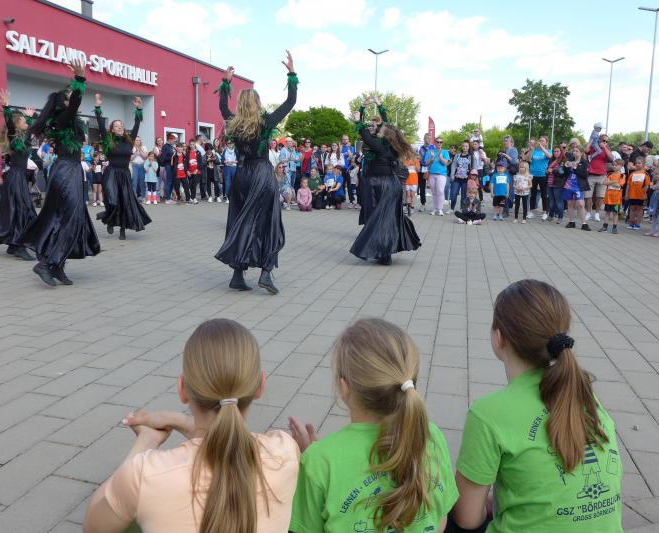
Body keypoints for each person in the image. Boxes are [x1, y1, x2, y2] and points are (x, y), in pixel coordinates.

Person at [83, 319, 299, 533]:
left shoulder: (144, 475)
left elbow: (93, 528)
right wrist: (175, 420)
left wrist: (145, 442)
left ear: (182, 389)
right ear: (260, 385)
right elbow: (224, 435)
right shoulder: (285, 452)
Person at [451, 279, 622, 533]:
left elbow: (467, 518)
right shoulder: (586, 396)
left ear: (499, 337)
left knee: (446, 517)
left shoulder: (488, 413)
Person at [288, 318, 458, 533]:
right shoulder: (431, 435)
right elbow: (440, 522)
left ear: (343, 387)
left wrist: (314, 460)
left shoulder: (319, 462)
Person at [216, 52, 297, 294]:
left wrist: (225, 82)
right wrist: (292, 74)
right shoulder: (266, 122)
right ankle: (266, 273)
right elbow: (290, 102)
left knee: (240, 221)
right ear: (258, 103)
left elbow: (222, 106)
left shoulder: (233, 122)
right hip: (261, 174)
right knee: (269, 221)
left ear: (240, 104)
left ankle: (237, 275)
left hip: (241, 175)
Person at [22, 58, 101, 287]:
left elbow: (73, 102)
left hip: (69, 170)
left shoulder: (66, 122)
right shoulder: (63, 119)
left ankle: (58, 265)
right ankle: (47, 263)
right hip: (66, 171)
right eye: (68, 99)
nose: (72, 101)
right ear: (62, 104)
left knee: (69, 218)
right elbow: (75, 101)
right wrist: (79, 79)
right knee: (71, 218)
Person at [349, 105, 421, 265]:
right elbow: (387, 126)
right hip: (387, 184)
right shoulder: (389, 145)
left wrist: (357, 121)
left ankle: (384, 253)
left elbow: (367, 138)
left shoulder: (382, 148)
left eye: (381, 129)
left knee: (382, 219)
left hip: (384, 184)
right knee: (385, 218)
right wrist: (379, 106)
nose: (379, 128)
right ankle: (384, 252)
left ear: (386, 135)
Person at [0, 89, 38, 261]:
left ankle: (13, 245)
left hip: (20, 177)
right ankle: (18, 246)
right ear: (17, 125)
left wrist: (29, 119)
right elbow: (9, 124)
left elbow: (29, 133)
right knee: (21, 210)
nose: (26, 123)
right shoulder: (14, 138)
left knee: (21, 210)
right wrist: (6, 107)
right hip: (15, 178)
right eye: (22, 121)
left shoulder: (24, 139)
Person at [94, 93, 151, 240]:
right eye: (116, 126)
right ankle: (109, 218)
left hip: (125, 174)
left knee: (124, 202)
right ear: (112, 129)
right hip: (111, 173)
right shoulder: (108, 140)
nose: (119, 127)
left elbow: (137, 125)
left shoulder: (129, 140)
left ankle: (122, 230)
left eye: (121, 125)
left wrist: (139, 109)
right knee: (112, 200)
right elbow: (100, 124)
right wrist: (98, 107)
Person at [563, 145, 591, 231]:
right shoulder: (570, 160)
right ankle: (571, 222)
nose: (574, 153)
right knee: (570, 203)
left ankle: (584, 223)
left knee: (581, 204)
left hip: (578, 186)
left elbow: (584, 175)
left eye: (577, 151)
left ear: (581, 153)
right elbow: (565, 173)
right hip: (569, 185)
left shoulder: (584, 162)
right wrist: (565, 167)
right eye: (574, 151)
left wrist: (575, 168)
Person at [526, 136, 551, 220]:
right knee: (533, 194)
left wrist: (542, 147)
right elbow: (528, 159)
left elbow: (549, 156)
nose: (540, 142)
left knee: (544, 194)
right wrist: (531, 150)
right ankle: (531, 211)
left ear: (546, 142)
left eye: (543, 141)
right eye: (540, 140)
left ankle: (545, 212)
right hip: (533, 175)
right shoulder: (535, 151)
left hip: (543, 175)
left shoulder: (548, 150)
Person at [424, 136, 450, 216]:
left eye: (440, 142)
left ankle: (440, 209)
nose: (439, 143)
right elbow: (426, 163)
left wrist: (440, 157)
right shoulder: (430, 151)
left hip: (441, 174)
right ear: (435, 143)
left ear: (442, 143)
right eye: (437, 142)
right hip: (432, 174)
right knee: (434, 192)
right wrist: (431, 157)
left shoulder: (445, 152)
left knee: (440, 191)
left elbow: (446, 163)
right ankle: (435, 208)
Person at [599, 159, 625, 235]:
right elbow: (604, 182)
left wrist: (609, 182)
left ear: (621, 166)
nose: (614, 166)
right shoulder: (610, 174)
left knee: (615, 213)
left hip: (616, 199)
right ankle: (605, 227)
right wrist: (614, 181)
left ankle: (614, 228)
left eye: (616, 165)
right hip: (608, 198)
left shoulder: (622, 175)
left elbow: (619, 185)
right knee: (607, 213)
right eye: (613, 165)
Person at [625, 156, 650, 231]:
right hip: (632, 195)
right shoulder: (632, 174)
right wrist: (626, 194)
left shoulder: (645, 174)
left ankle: (638, 224)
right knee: (632, 208)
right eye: (636, 163)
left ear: (643, 164)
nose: (637, 164)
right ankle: (631, 223)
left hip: (640, 195)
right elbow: (628, 185)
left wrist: (645, 193)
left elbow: (646, 186)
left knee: (639, 209)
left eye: (639, 163)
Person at [449, 141, 472, 213]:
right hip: (457, 178)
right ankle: (452, 208)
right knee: (453, 194)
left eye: (466, 146)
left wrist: (472, 178)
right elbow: (453, 165)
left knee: (463, 195)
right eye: (463, 146)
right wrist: (452, 175)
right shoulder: (457, 155)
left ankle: (462, 209)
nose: (464, 147)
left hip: (466, 179)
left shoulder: (471, 156)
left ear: (468, 147)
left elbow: (473, 167)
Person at [546, 145, 566, 223]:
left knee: (559, 202)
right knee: (551, 202)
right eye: (554, 151)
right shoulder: (552, 160)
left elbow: (561, 172)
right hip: (549, 183)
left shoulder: (563, 161)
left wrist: (552, 171)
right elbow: (548, 169)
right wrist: (547, 171)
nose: (556, 153)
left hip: (558, 184)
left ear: (561, 152)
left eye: (557, 151)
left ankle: (560, 217)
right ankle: (550, 216)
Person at [646, 168, 659, 237]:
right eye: (656, 174)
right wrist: (651, 187)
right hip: (654, 201)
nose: (657, 175)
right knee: (653, 216)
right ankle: (652, 230)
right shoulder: (653, 182)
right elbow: (650, 190)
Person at [184, 139, 204, 205]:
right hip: (190, 172)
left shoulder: (198, 153)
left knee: (194, 185)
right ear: (189, 145)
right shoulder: (188, 153)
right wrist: (187, 171)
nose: (192, 146)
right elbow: (186, 163)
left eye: (193, 144)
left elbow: (200, 163)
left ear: (195, 144)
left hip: (196, 172)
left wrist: (197, 170)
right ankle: (191, 198)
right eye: (190, 144)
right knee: (190, 185)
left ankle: (193, 198)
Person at [130, 136, 148, 202]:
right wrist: (135, 152)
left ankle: (143, 197)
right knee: (134, 182)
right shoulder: (131, 148)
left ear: (140, 141)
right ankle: (134, 197)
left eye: (139, 140)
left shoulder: (144, 147)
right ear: (134, 141)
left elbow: (145, 157)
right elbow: (130, 158)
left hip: (142, 165)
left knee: (142, 182)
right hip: (134, 165)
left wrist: (140, 151)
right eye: (136, 140)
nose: (138, 141)